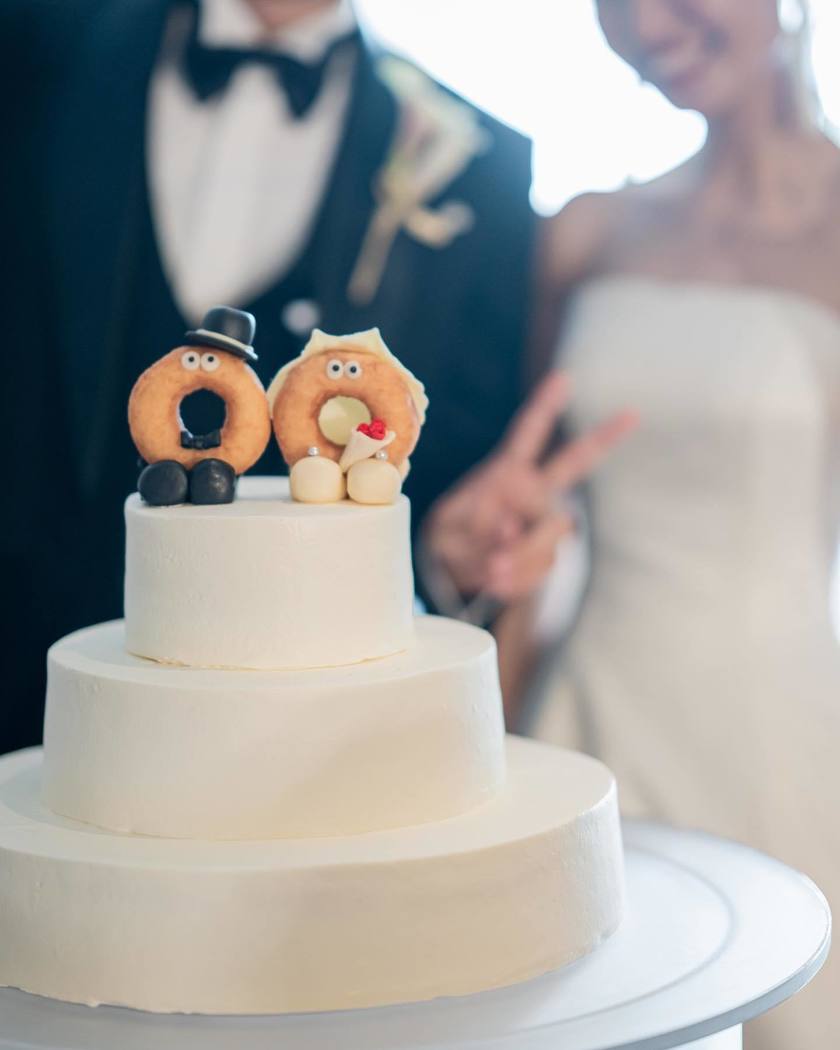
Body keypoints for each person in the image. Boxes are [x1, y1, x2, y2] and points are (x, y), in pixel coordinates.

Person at [2, 0, 536, 754]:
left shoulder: (483, 167)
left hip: (301, 746)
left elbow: (451, 465)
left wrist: (456, 552)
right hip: (21, 685)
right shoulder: (31, 49)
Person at [527, 1, 839, 1046]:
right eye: (613, 2)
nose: (645, 24)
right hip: (582, 721)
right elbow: (522, 512)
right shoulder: (586, 226)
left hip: (785, 735)